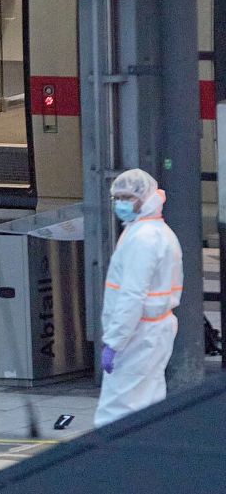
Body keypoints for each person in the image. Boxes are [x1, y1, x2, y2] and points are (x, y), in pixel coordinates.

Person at [94, 168, 182, 427]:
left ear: (146, 198)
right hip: (152, 330)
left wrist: (114, 341)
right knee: (148, 402)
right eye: (117, 198)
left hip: (138, 333)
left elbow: (131, 296)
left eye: (127, 197)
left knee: (118, 408)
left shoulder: (143, 239)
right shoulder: (155, 231)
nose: (121, 204)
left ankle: (112, 461)